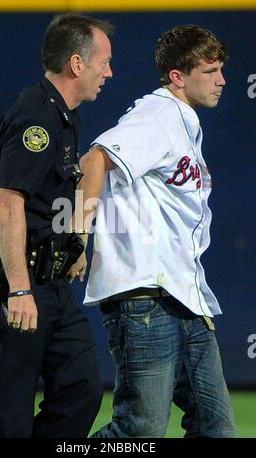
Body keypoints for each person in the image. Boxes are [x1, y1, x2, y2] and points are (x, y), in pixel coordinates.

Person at [71, 24, 236, 437]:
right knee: (139, 432)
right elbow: (94, 160)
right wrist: (77, 237)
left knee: (215, 428)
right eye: (210, 71)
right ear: (177, 77)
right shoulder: (158, 115)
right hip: (147, 298)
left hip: (184, 297)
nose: (222, 80)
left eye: (221, 70)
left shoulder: (183, 122)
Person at [0, 13, 113, 438]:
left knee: (81, 388)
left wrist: (74, 240)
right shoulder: (40, 120)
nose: (109, 72)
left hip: (50, 282)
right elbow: (8, 204)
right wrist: (19, 289)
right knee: (10, 405)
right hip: (15, 281)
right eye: (103, 61)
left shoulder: (59, 113)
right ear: (76, 63)